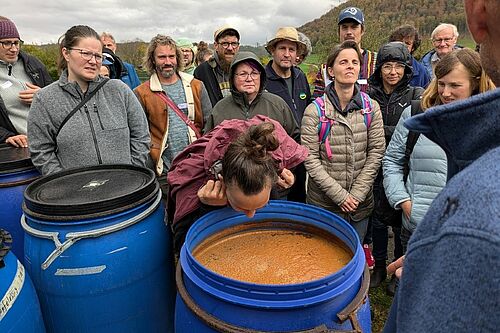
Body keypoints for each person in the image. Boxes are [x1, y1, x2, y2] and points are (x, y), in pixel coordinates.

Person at [382, 0, 500, 330]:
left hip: (451, 230)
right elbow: (391, 160)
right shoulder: (420, 114)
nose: (446, 93)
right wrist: (403, 201)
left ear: (477, 84)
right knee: (409, 291)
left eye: (455, 86)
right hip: (415, 221)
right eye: (442, 84)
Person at [167, 115, 308, 253]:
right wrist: (206, 206)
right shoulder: (193, 175)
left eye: (261, 206)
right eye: (241, 207)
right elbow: (182, 246)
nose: (251, 215)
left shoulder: (263, 168)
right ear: (222, 181)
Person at [28, 25, 150, 176]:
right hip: (77, 196)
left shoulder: (120, 90)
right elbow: (41, 150)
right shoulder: (45, 100)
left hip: (124, 191)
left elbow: (141, 135)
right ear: (66, 53)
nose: (93, 61)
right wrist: (65, 182)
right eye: (85, 54)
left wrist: (131, 172)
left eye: (98, 56)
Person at [301, 40, 385, 242]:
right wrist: (340, 196)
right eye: (343, 62)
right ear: (331, 70)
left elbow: (376, 152)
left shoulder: (371, 108)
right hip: (324, 205)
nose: (350, 66)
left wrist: (355, 195)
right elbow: (310, 158)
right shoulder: (315, 111)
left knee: (352, 257)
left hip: (360, 206)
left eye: (355, 62)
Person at [366, 41, 424, 293]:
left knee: (401, 221)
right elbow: (365, 130)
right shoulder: (369, 95)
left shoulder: (416, 95)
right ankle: (379, 265)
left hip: (405, 167)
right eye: (387, 66)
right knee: (378, 220)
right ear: (379, 69)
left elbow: (416, 127)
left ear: (406, 70)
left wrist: (383, 130)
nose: (392, 72)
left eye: (398, 67)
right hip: (376, 165)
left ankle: (398, 271)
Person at [134, 34, 211, 194]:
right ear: (153, 60)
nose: (167, 62)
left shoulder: (197, 86)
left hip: (197, 169)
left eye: (171, 56)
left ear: (178, 58)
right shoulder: (142, 93)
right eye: (162, 57)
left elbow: (209, 125)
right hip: (164, 172)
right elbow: (140, 135)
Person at [204, 51, 299, 141]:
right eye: (243, 74)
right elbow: (208, 145)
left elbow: (295, 140)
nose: (249, 79)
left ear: (261, 77)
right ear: (232, 78)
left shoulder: (277, 105)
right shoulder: (220, 109)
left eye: (254, 73)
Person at [264, 26, 311, 203]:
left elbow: (307, 110)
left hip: (298, 154)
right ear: (273, 51)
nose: (287, 54)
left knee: (299, 201)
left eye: (291, 49)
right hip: (274, 157)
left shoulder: (300, 77)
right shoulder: (263, 80)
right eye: (282, 48)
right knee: (275, 204)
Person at [0, 16, 52, 148]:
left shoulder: (33, 64)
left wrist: (43, 96)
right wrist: (7, 136)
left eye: (16, 43)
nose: (13, 49)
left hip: (51, 142)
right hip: (17, 151)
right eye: (6, 43)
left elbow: (59, 99)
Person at [312, 7, 377, 97]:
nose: (349, 32)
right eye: (344, 27)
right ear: (338, 32)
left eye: (354, 27)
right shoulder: (326, 68)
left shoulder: (375, 62)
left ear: (362, 31)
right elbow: (317, 100)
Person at [194, 25, 240, 107]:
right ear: (216, 46)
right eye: (225, 43)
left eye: (234, 44)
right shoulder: (202, 72)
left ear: (238, 46)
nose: (230, 48)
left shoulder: (246, 69)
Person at [389, 24, 431, 88]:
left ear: (413, 47)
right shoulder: (382, 66)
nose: (402, 46)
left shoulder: (421, 72)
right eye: (399, 42)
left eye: (407, 44)